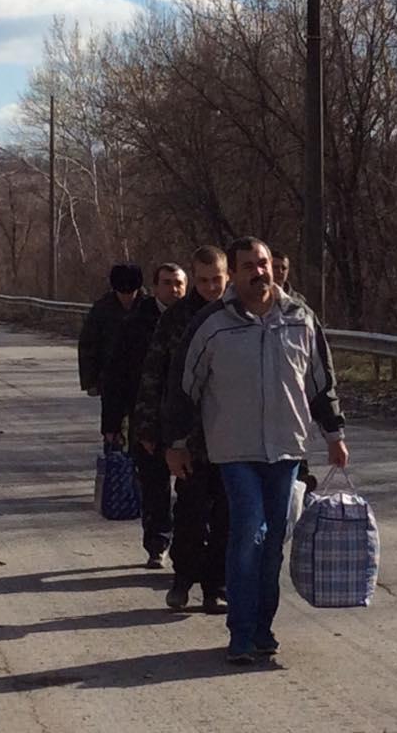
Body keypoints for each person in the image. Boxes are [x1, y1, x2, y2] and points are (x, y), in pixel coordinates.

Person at [164, 236, 348, 664]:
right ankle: (241, 633)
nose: (258, 272)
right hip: (235, 449)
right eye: (247, 266)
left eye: (262, 263)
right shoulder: (213, 324)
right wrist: (176, 443)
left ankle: (263, 629)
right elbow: (183, 386)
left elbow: (321, 382)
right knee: (249, 530)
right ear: (234, 273)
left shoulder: (300, 318)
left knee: (274, 540)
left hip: (285, 449)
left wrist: (334, 434)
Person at [133, 246, 230, 612]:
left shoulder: (240, 315)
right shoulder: (177, 319)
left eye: (216, 280)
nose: (210, 287)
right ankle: (183, 577)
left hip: (232, 435)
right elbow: (155, 373)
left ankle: (215, 586)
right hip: (189, 436)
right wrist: (148, 427)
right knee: (190, 513)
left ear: (228, 276)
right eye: (203, 280)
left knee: (226, 517)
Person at [103, 263, 187, 569]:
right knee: (153, 485)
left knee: (191, 488)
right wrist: (112, 423)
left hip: (188, 421)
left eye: (178, 283)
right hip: (147, 418)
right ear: (155, 287)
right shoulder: (136, 324)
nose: (174, 289)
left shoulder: (198, 319)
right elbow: (116, 377)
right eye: (167, 283)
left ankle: (188, 548)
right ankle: (157, 543)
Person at [77, 263, 144, 442]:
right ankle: (113, 450)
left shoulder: (148, 307)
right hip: (111, 377)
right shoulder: (102, 309)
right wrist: (90, 381)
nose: (127, 296)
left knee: (141, 425)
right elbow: (88, 345)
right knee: (112, 424)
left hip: (142, 378)